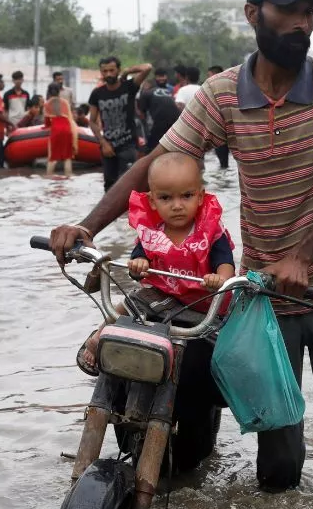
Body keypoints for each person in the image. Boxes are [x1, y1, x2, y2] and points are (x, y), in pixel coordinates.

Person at [50, 0, 313, 501]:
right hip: (264, 300)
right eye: (289, 11)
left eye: (309, 13)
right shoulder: (223, 95)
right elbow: (157, 163)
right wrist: (84, 226)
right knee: (277, 472)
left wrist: (302, 254)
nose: (302, 23)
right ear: (253, 14)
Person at [76, 152, 234, 374]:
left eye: (186, 196)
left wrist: (221, 280)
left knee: (228, 346)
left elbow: (225, 262)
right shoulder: (152, 231)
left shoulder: (211, 231)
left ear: (200, 196)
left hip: (203, 301)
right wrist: (138, 265)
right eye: (166, 198)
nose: (177, 205)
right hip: (163, 296)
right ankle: (99, 335)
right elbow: (138, 259)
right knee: (131, 301)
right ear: (152, 201)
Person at [88, 56, 152, 191]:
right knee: (109, 187)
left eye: (111, 70)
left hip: (128, 145)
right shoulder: (97, 94)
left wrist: (128, 71)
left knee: (128, 185)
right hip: (108, 147)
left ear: (118, 70)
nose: (108, 74)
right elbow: (92, 122)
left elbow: (147, 67)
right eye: (104, 71)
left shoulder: (129, 87)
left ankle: (130, 212)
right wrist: (103, 143)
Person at [137, 74, 179, 155]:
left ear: (148, 85)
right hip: (177, 120)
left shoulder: (146, 93)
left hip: (161, 120)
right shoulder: (166, 91)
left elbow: (141, 113)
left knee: (151, 147)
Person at [43, 83, 78, 177]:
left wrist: (46, 127)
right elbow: (70, 119)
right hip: (66, 128)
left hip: (56, 130)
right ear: (59, 91)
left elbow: (47, 122)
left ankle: (49, 177)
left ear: (49, 92)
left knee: (53, 158)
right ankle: (69, 176)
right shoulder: (65, 102)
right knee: (67, 157)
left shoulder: (47, 104)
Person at [206, 65, 232, 169]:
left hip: (220, 128)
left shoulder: (217, 88)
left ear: (215, 75)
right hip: (226, 129)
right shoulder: (228, 86)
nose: (208, 78)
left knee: (223, 161)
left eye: (209, 75)